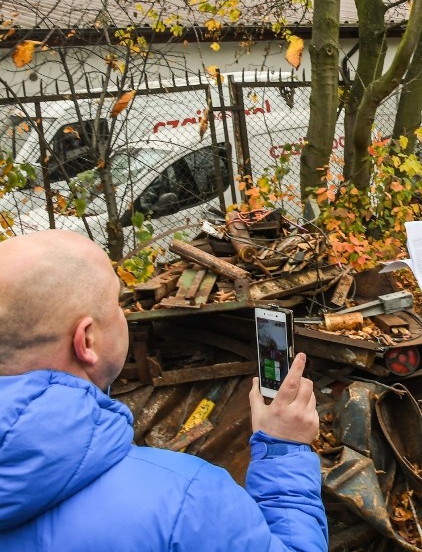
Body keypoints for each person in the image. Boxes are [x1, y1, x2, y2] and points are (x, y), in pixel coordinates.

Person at [0, 229, 328, 552]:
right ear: (87, 341)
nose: (124, 315)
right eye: (116, 303)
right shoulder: (187, 504)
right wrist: (283, 448)